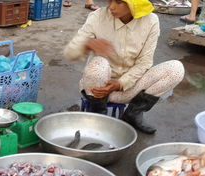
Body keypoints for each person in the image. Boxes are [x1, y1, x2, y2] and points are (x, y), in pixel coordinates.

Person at [63, 0, 185, 134]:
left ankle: (133, 114)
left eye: (120, 2)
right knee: (99, 64)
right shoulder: (97, 17)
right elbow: (69, 53)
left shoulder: (151, 21)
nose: (111, 7)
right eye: (110, 0)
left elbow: (145, 62)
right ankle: (97, 114)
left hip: (131, 88)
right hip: (97, 88)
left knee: (176, 69)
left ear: (136, 4)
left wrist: (121, 83)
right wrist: (87, 44)